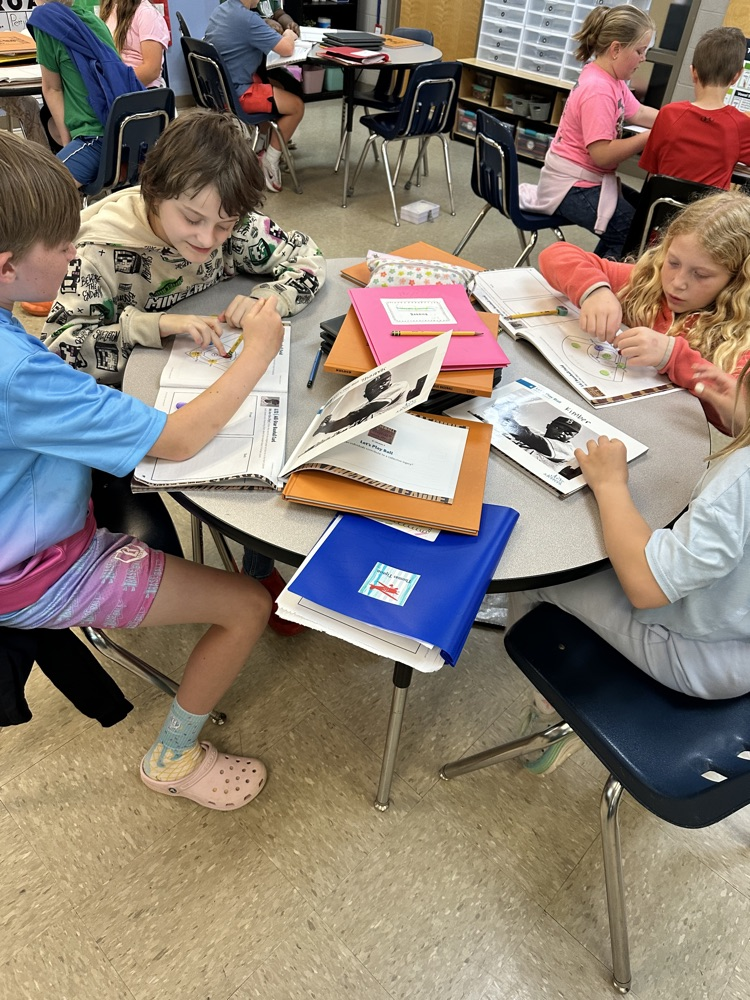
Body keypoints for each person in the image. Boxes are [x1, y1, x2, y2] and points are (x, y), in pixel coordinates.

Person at [0, 128, 285, 810]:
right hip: (37, 568)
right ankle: (173, 758)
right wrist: (259, 350)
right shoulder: (18, 370)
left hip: (29, 527)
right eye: (63, 246)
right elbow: (181, 438)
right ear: (8, 266)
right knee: (248, 608)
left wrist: (149, 328)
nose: (74, 254)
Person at [41, 108, 326, 635]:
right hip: (123, 416)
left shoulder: (225, 221)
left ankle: (257, 564)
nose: (208, 238)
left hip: (203, 387)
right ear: (154, 192)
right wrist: (150, 326)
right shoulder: (98, 249)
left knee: (269, 452)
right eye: (192, 219)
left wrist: (268, 297)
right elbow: (59, 353)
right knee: (163, 534)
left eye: (224, 224)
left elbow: (307, 258)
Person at [509, 359, 750, 774]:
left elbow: (646, 585)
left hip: (700, 655)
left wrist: (609, 485)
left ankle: (548, 711)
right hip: (733, 633)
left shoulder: (740, 481)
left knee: (533, 577)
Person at [537, 191, 750, 436]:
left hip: (665, 437)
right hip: (603, 415)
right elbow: (555, 254)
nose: (677, 282)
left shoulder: (740, 338)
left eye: (700, 275)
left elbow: (737, 422)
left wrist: (673, 357)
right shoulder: (646, 284)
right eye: (673, 262)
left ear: (737, 281)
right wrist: (595, 291)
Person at [519, 5, 658, 260]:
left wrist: (676, 120)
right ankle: (599, 285)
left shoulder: (611, 79)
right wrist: (648, 138)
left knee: (642, 215)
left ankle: (597, 274)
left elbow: (638, 113)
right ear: (616, 49)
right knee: (630, 229)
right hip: (571, 186)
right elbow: (602, 156)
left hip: (585, 178)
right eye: (639, 51)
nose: (643, 58)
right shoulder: (599, 89)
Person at [28, 0, 142, 187]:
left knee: (37, 192)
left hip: (96, 140)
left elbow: (52, 89)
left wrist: (67, 144)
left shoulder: (45, 19)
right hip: (126, 135)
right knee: (46, 122)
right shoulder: (94, 20)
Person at [204, 0, 304, 193]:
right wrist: (289, 34)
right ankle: (269, 161)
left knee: (278, 86)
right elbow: (286, 48)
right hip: (239, 93)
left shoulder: (222, 10)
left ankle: (260, 146)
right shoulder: (247, 19)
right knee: (297, 106)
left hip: (220, 89)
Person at [639, 27, 750, 190]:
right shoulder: (740, 125)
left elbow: (652, 174)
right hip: (706, 215)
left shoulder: (669, 114)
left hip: (658, 210)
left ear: (693, 72)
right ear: (736, 76)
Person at [99, 0, 171, 88]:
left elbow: (152, 70)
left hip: (141, 90)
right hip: (115, 83)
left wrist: (116, 85)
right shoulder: (109, 9)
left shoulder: (146, 13)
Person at [314, 371, 410, 435]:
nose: (369, 397)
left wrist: (331, 426)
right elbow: (353, 416)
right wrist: (330, 426)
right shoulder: (369, 403)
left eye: (371, 391)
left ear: (383, 383)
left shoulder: (399, 385)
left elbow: (360, 413)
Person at [503, 414, 580, 466]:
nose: (562, 433)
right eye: (558, 428)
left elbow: (531, 439)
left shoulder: (569, 450)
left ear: (572, 437)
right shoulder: (533, 431)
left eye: (568, 433)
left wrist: (505, 417)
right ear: (548, 426)